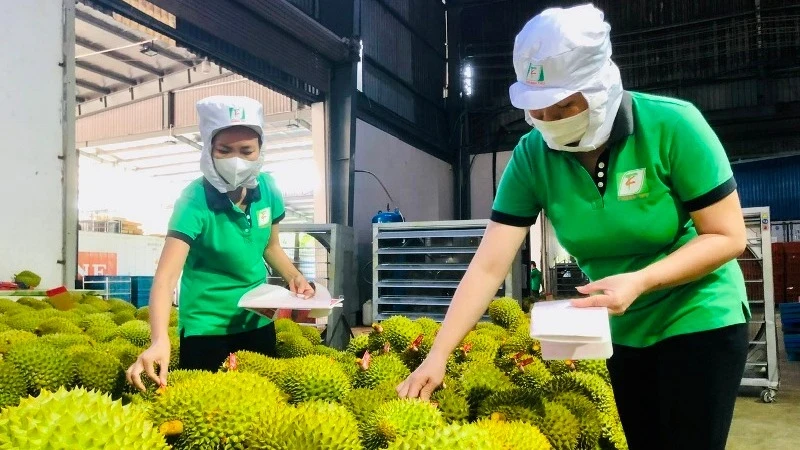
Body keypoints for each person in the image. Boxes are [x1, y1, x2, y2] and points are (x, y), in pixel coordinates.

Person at [396, 5, 749, 450]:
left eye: (563, 105)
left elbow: (728, 235)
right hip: (618, 327)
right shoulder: (531, 157)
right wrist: (438, 354)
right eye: (537, 109)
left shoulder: (673, 125)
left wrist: (641, 281)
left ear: (599, 86)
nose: (549, 120)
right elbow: (488, 266)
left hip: (699, 314)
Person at [126, 95, 315, 390]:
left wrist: (294, 277)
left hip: (258, 321)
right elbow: (165, 279)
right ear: (210, 150)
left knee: (263, 409)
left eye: (246, 150)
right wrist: (160, 339)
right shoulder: (193, 201)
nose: (236, 160)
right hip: (207, 328)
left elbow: (270, 246)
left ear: (260, 151)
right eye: (224, 150)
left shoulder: (268, 189)